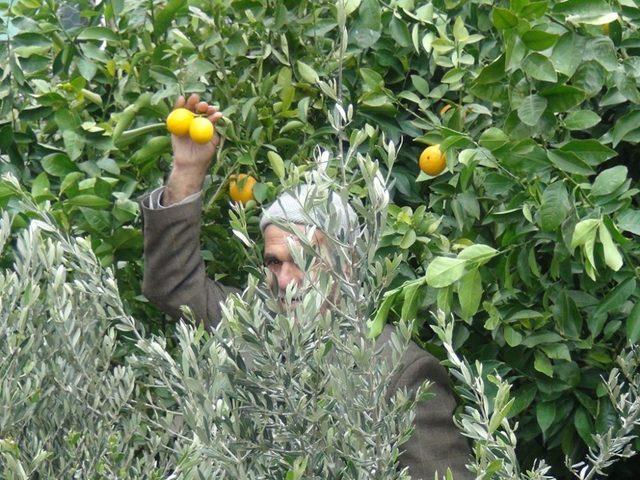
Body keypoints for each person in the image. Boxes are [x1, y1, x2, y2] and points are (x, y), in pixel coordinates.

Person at [136, 93, 474, 479]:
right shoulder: (246, 322)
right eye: (274, 262)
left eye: (305, 261)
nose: (284, 279)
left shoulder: (398, 368)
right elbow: (172, 285)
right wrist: (187, 172)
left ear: (346, 267)